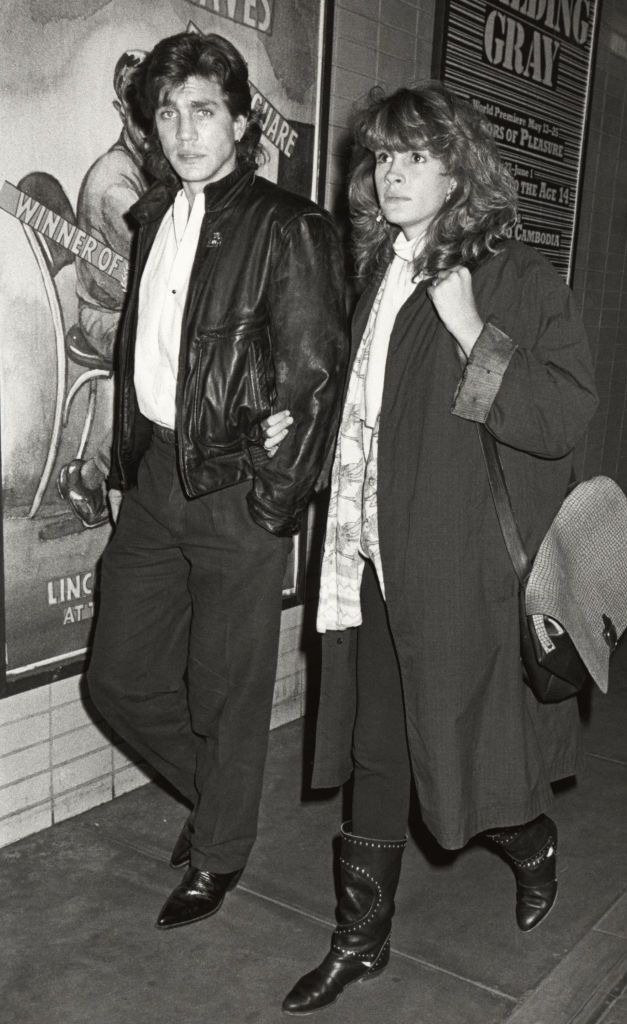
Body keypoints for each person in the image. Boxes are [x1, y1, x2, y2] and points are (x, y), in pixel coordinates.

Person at [264, 82, 598, 1015]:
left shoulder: (514, 278)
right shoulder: (377, 270)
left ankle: (529, 843)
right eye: (382, 157)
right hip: (371, 564)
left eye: (416, 155)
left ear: (461, 170)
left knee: (464, 755)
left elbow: (562, 414)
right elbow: (371, 411)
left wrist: (468, 329)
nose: (393, 173)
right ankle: (358, 941)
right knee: (380, 753)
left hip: (461, 574)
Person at [86, 31, 347, 931]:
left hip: (238, 485)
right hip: (161, 471)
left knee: (226, 686)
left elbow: (314, 380)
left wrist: (271, 502)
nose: (185, 129)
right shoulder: (155, 213)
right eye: (168, 113)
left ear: (240, 119)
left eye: (203, 110)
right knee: (116, 676)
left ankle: (221, 852)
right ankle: (220, 798)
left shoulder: (288, 225)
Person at [57, 50, 150, 528]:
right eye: (141, 110)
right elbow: (159, 273)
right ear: (121, 111)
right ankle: (93, 478)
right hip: (105, 317)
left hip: (125, 309)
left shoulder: (140, 167)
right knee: (158, 357)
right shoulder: (116, 185)